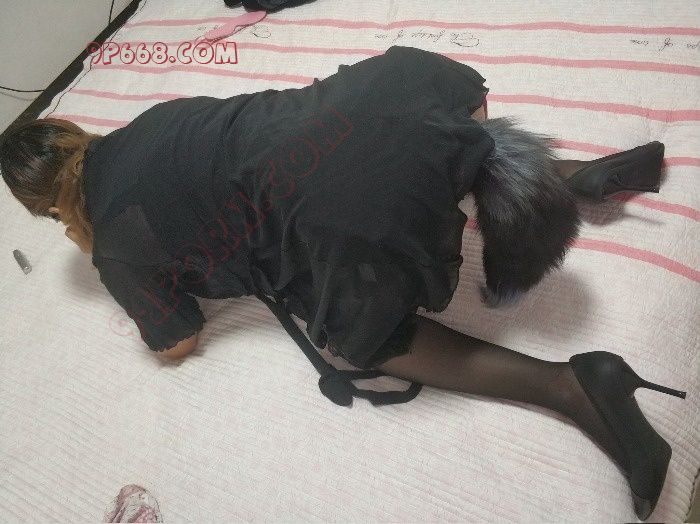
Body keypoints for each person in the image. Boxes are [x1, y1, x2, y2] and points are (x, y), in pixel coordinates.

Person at [0, 46, 685, 520]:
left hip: (361, 200)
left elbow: (178, 341)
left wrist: (136, 285)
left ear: (49, 210)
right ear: (72, 132)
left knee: (362, 339)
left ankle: (571, 387)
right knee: (388, 144)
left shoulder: (116, 248)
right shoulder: (154, 121)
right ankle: (575, 176)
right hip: (417, 86)